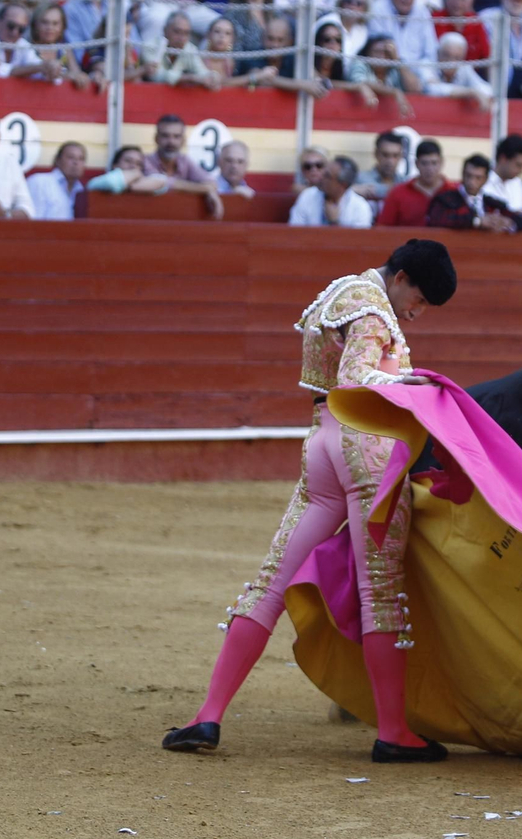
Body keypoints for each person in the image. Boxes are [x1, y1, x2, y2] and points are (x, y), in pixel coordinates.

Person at [162, 238, 456, 762]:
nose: (418, 312)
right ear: (403, 276)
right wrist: (409, 383)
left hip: (321, 443)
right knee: (380, 591)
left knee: (270, 582)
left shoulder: (342, 291)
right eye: (421, 299)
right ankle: (394, 731)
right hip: (365, 446)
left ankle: (207, 716)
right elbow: (355, 377)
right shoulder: (373, 308)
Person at [144, 113, 224, 218]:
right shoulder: (145, 161)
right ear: (156, 138)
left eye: (176, 136)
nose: (171, 142)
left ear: (183, 140)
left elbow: (211, 182)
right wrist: (205, 189)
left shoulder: (185, 161)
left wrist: (210, 191)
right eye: (165, 136)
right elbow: (163, 183)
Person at [374, 139, 456, 226]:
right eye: (424, 163)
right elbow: (383, 228)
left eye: (434, 163)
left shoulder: (454, 192)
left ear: (441, 162)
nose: (429, 169)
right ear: (416, 164)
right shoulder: (398, 193)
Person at [289, 156, 374, 227]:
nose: (321, 177)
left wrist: (334, 223)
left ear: (342, 185)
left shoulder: (360, 208)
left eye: (327, 176)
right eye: (323, 172)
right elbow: (294, 234)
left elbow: (357, 244)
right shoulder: (307, 196)